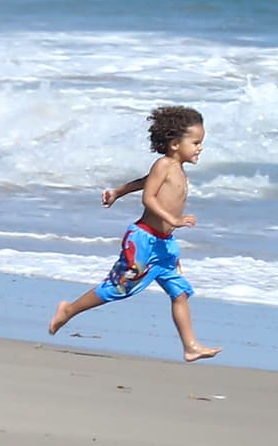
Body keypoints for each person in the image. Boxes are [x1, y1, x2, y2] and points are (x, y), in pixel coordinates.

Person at [49, 105, 221, 362]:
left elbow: (144, 181)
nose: (200, 148)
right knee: (117, 289)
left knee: (180, 292)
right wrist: (172, 218)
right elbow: (149, 198)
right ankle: (68, 310)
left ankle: (191, 346)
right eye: (196, 142)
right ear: (175, 144)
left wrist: (119, 191)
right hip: (143, 241)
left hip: (164, 245)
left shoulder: (175, 168)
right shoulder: (163, 164)